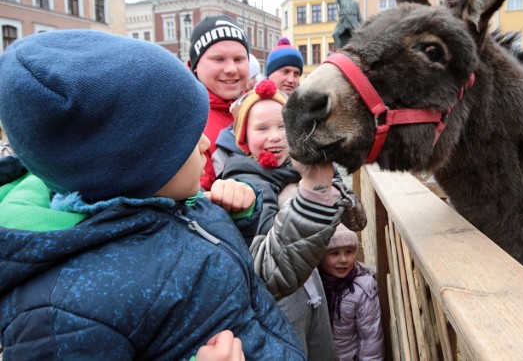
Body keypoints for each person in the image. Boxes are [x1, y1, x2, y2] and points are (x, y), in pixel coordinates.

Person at [0, 30, 305, 360]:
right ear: (139, 162)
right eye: (190, 138)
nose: (206, 144)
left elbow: (217, 266)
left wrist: (237, 217)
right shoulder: (59, 309)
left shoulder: (177, 204)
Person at [216, 78, 369, 360]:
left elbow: (356, 220)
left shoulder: (304, 168)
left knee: (322, 347)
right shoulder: (245, 178)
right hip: (279, 300)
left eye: (283, 127)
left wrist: (326, 187)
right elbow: (267, 240)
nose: (274, 136)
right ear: (244, 139)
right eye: (262, 128)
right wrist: (304, 198)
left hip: (313, 284)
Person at [188, 15, 250, 191]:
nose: (231, 69)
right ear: (195, 65)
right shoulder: (185, 118)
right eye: (219, 59)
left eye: (239, 59)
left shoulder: (258, 108)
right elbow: (192, 201)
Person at [319, 224, 385, 361]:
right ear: (320, 256)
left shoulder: (362, 290)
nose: (343, 260)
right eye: (334, 253)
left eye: (348, 252)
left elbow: (371, 339)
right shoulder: (313, 283)